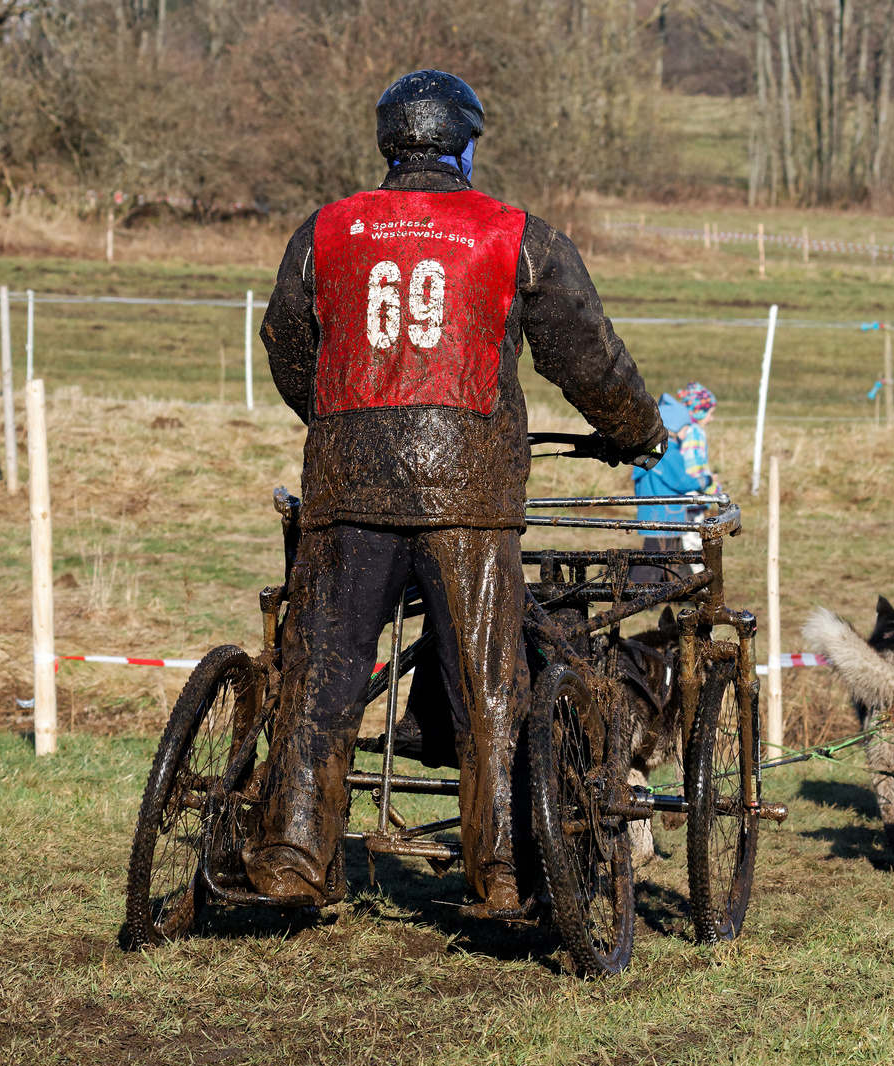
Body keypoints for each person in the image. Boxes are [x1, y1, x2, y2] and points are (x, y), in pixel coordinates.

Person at [246, 70, 666, 918]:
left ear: (387, 143)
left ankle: (290, 857)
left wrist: (338, 419)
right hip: (467, 493)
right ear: (467, 146)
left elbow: (287, 342)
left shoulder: (325, 231)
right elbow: (586, 350)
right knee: (489, 684)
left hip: (345, 481)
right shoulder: (515, 234)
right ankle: (502, 871)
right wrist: (637, 430)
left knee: (321, 674)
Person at [630, 382, 718, 582]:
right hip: (665, 516)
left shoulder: (654, 450)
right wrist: (706, 480)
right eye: (686, 428)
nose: (687, 433)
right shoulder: (669, 452)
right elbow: (682, 481)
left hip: (658, 515)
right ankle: (635, 593)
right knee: (653, 560)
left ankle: (678, 592)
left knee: (670, 557)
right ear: (675, 427)